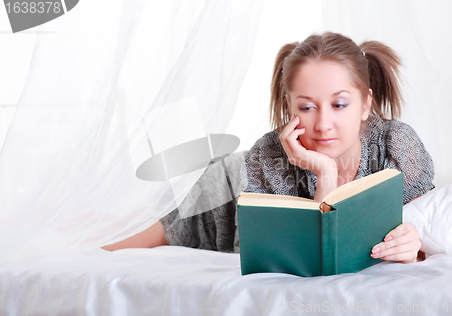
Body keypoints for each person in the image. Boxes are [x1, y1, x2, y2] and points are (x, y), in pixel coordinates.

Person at [104, 32, 434, 265]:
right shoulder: (269, 156)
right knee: (104, 245)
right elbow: (310, 256)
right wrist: (326, 171)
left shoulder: (397, 148)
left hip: (234, 183)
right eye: (306, 107)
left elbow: (422, 232)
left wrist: (412, 247)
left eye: (339, 104)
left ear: (365, 105)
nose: (322, 124)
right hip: (215, 199)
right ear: (289, 106)